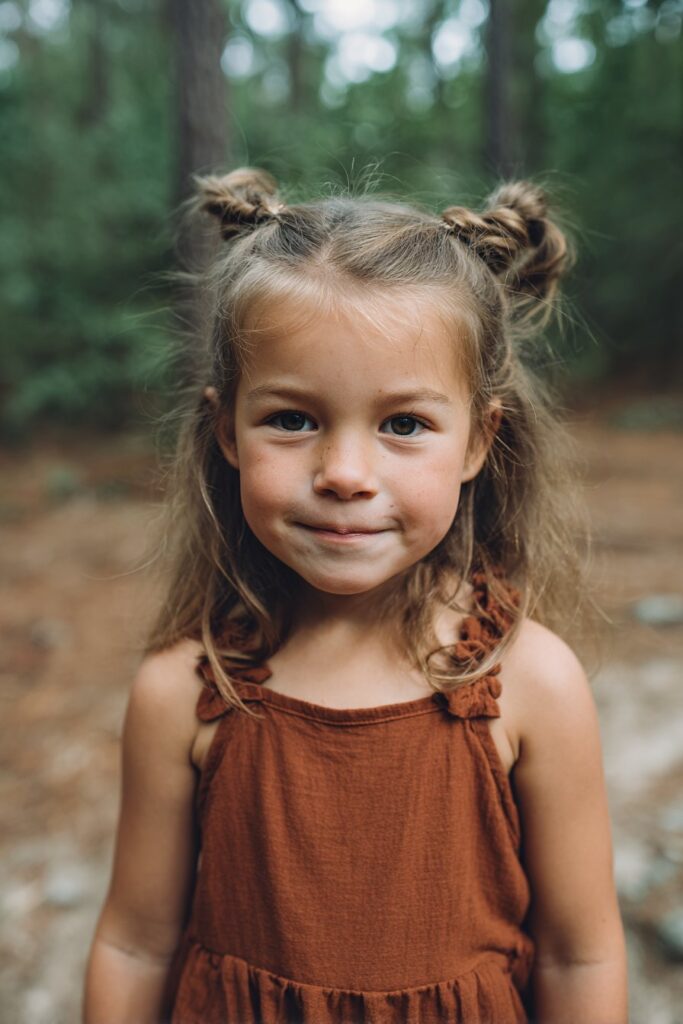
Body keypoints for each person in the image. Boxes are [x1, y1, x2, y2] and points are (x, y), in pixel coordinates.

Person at [82, 167, 628, 1024]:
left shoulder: (528, 682)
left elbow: (577, 953)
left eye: (403, 424)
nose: (343, 473)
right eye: (292, 419)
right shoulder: (185, 691)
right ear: (227, 430)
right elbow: (135, 944)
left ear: (477, 441)